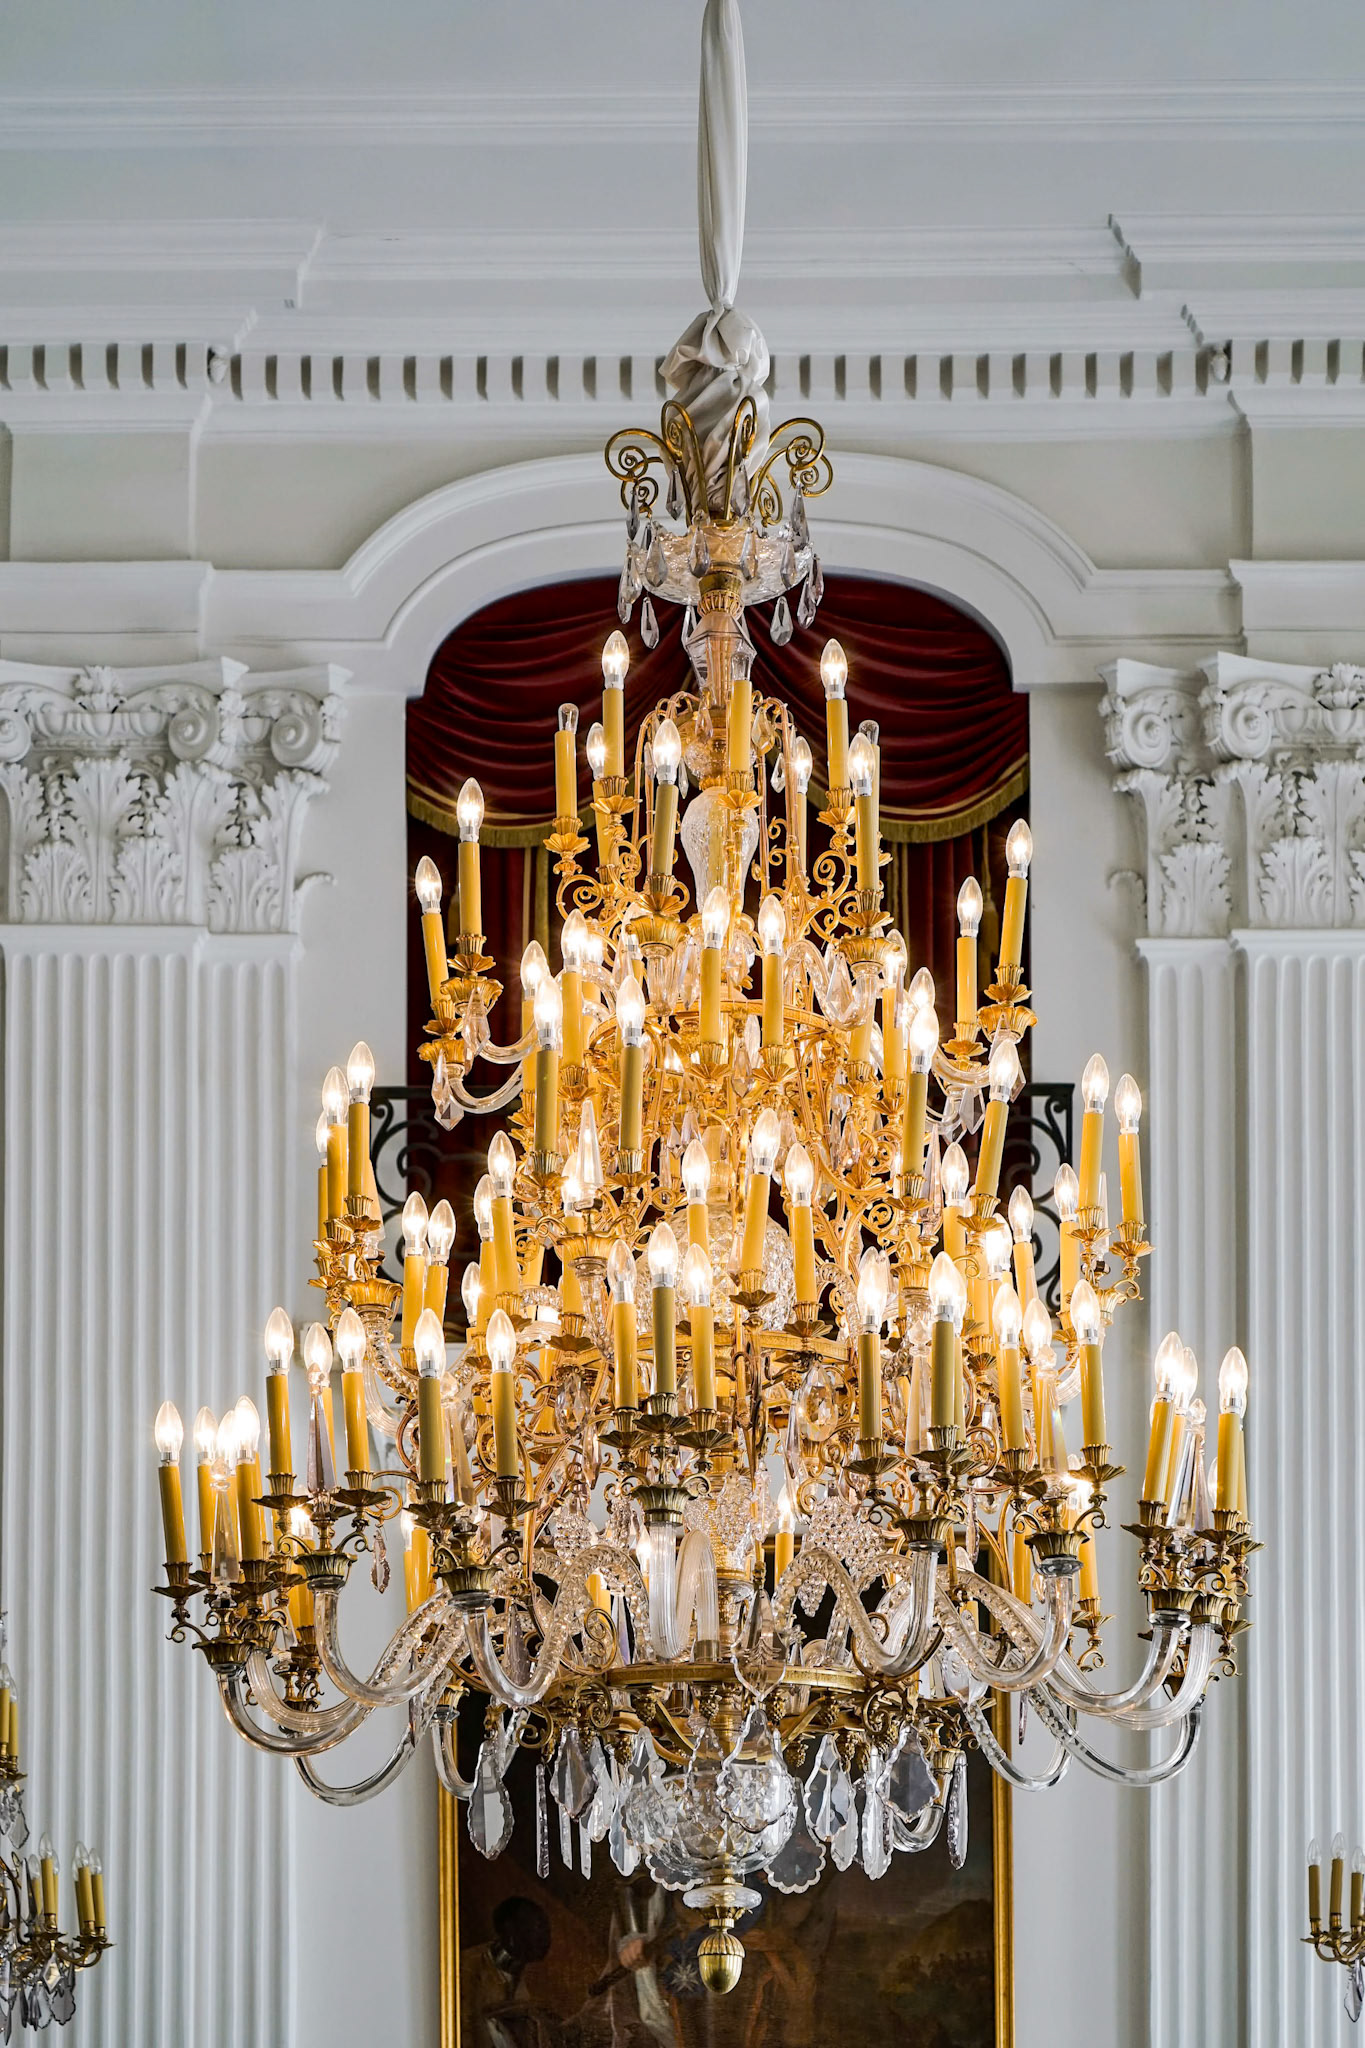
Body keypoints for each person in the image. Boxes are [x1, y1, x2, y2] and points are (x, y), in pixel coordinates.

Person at [461, 1894, 560, 2048]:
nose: (545, 1938)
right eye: (535, 1928)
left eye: (545, 1929)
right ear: (510, 1930)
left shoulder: (521, 1983)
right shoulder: (466, 1970)